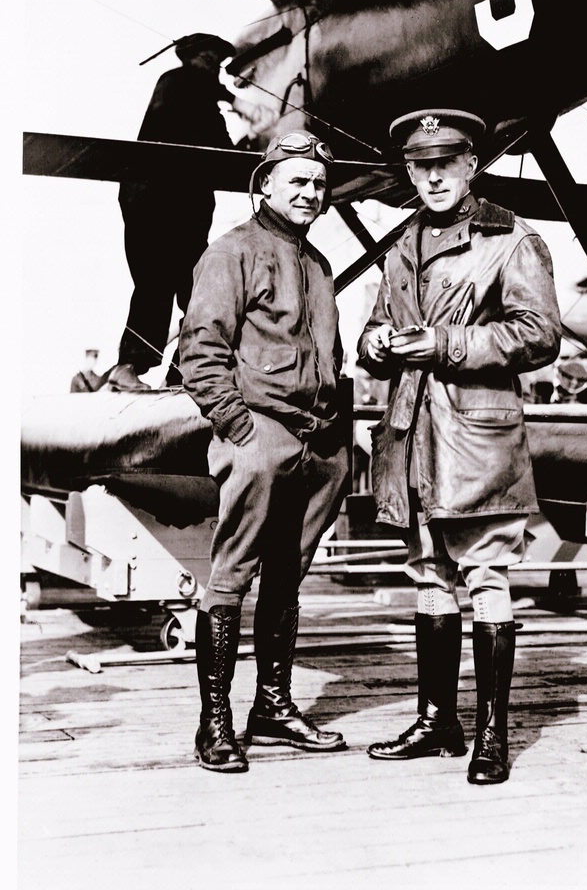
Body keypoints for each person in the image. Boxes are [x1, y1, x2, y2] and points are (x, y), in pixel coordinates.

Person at [357, 109, 561, 785]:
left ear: (472, 164)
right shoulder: (400, 244)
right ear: (409, 172)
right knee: (428, 575)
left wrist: (444, 343)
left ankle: (492, 735)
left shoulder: (509, 238)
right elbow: (373, 328)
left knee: (485, 577)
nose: (435, 175)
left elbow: (537, 335)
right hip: (412, 434)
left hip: (475, 437)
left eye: (447, 162)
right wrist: (375, 346)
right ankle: (436, 720)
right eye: (422, 165)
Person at [179, 130, 350, 773]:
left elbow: (327, 355)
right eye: (297, 182)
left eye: (318, 183)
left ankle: (273, 708)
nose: (310, 192)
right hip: (260, 433)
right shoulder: (231, 252)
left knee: (288, 575)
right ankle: (215, 720)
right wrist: (239, 427)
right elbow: (201, 349)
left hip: (319, 441)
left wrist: (337, 436)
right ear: (265, 185)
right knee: (231, 577)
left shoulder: (318, 264)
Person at [105, 33, 242, 392]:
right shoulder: (178, 83)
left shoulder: (195, 97)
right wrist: (239, 102)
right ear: (190, 58)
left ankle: (183, 371)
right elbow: (214, 139)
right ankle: (128, 367)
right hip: (159, 209)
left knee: (201, 291)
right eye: (209, 61)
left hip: (181, 215)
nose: (215, 70)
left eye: (217, 64)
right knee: (157, 285)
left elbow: (223, 152)